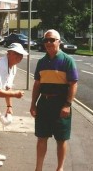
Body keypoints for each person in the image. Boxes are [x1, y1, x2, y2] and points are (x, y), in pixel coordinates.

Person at [30, 29, 79, 171]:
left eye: (52, 40)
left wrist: (67, 105)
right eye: (46, 40)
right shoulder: (41, 62)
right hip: (44, 104)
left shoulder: (67, 61)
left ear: (59, 41)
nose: (49, 43)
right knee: (41, 137)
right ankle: (38, 168)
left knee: (61, 139)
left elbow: (73, 84)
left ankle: (60, 168)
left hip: (60, 104)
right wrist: (33, 104)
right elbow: (37, 85)